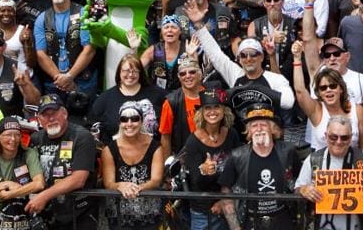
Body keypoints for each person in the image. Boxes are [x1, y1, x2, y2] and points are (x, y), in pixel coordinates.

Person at [296, 115, 363, 230]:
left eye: (344, 138)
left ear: (351, 138)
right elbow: (297, 188)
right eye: (333, 137)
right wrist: (304, 190)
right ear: (326, 136)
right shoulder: (314, 160)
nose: (338, 142)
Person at [217, 104, 298, 230]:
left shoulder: (288, 151)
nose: (259, 129)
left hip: (283, 221)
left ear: (272, 128)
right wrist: (235, 227)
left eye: (264, 124)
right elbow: (225, 193)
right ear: (249, 131)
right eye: (254, 125)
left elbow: (300, 182)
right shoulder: (237, 156)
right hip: (250, 222)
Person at [24, 94, 97, 230]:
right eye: (45, 115)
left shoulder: (82, 137)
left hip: (79, 215)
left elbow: (78, 179)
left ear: (64, 113)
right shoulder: (35, 139)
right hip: (47, 215)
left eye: (54, 113)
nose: (51, 119)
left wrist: (44, 196)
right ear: (39, 119)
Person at [180, 89, 240, 230]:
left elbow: (239, 170)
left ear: (224, 110)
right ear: (201, 111)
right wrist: (205, 171)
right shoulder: (193, 141)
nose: (212, 111)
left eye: (216, 107)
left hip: (230, 205)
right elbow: (196, 181)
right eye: (207, 108)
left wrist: (223, 201)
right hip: (203, 210)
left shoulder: (232, 134)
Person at [100, 103, 166, 230]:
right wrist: (120, 186)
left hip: (149, 213)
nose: (129, 124)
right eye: (124, 119)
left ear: (141, 121)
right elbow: (108, 182)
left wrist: (138, 188)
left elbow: (156, 180)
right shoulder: (109, 149)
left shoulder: (155, 146)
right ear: (120, 123)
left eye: (134, 119)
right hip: (119, 214)